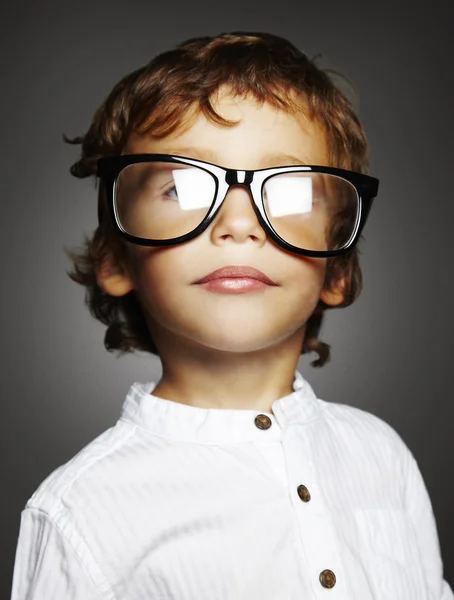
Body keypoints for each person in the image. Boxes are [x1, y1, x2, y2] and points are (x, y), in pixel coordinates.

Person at [10, 31, 453, 600]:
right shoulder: (78, 509)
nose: (237, 223)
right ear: (117, 259)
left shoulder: (382, 456)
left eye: (290, 191)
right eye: (182, 187)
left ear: (337, 271)